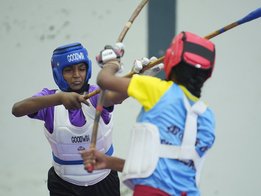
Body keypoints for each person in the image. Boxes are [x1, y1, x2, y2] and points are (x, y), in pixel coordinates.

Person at [81, 31, 216, 196]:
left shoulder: (158, 89)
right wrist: (109, 162)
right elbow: (166, 161)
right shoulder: (207, 116)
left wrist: (111, 63)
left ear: (171, 60)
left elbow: (105, 82)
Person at [11, 42, 125, 196]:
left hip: (104, 181)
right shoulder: (50, 99)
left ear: (88, 69)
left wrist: (131, 76)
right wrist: (59, 99)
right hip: (64, 184)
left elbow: (117, 97)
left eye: (82, 69)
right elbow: (17, 110)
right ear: (58, 73)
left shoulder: (96, 94)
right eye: (69, 70)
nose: (77, 75)